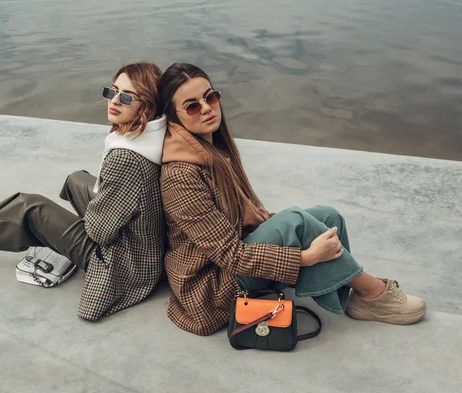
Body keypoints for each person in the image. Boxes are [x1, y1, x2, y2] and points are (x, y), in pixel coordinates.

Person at [157, 62, 426, 336]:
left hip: (230, 264)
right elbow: (229, 255)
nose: (206, 108)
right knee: (295, 221)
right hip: (209, 290)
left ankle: (352, 296)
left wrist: (293, 235)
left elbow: (248, 219)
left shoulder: (213, 149)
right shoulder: (180, 175)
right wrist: (304, 258)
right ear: (174, 117)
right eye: (192, 106)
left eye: (210, 97)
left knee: (327, 216)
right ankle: (374, 293)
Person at [0, 62, 167, 321]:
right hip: (145, 243)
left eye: (126, 97)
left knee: (30, 207)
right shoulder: (153, 135)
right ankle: (50, 234)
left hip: (124, 263)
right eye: (112, 91)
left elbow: (99, 231)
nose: (114, 101)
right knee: (76, 180)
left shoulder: (125, 159)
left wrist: (73, 221)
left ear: (146, 105)